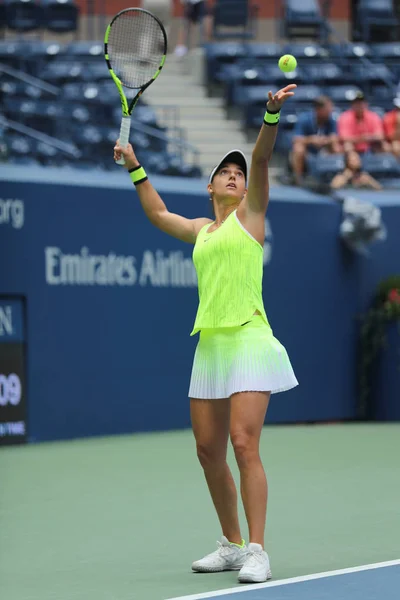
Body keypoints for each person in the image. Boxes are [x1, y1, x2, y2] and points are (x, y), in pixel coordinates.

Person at [114, 84, 299, 584]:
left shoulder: (252, 217)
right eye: (226, 173)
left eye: (239, 174)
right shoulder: (201, 229)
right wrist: (135, 166)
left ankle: (258, 550)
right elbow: (157, 213)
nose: (236, 176)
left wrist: (269, 117)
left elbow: (261, 161)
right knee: (207, 452)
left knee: (244, 443)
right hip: (211, 346)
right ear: (211, 187)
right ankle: (232, 544)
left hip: (250, 340)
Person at [291, 95, 341, 185]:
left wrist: (324, 140)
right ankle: (298, 180)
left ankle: (336, 178)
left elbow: (334, 137)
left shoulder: (331, 120)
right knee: (298, 148)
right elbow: (296, 139)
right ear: (318, 109)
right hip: (308, 151)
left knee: (336, 147)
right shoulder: (304, 119)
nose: (331, 110)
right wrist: (311, 140)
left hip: (324, 149)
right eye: (328, 108)